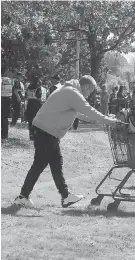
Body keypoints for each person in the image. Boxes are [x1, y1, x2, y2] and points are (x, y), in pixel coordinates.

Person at [13, 75, 120, 208]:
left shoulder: (69, 90)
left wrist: (101, 118)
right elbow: (88, 110)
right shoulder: (72, 93)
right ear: (86, 86)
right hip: (46, 131)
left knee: (56, 164)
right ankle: (23, 197)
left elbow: (80, 114)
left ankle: (65, 196)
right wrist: (109, 121)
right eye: (90, 91)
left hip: (47, 131)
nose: (89, 95)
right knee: (39, 165)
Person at [25, 76, 43, 140]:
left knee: (30, 120)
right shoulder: (38, 88)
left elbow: (26, 95)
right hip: (36, 104)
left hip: (29, 104)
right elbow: (38, 97)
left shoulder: (28, 87)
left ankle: (31, 135)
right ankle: (36, 134)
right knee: (36, 119)